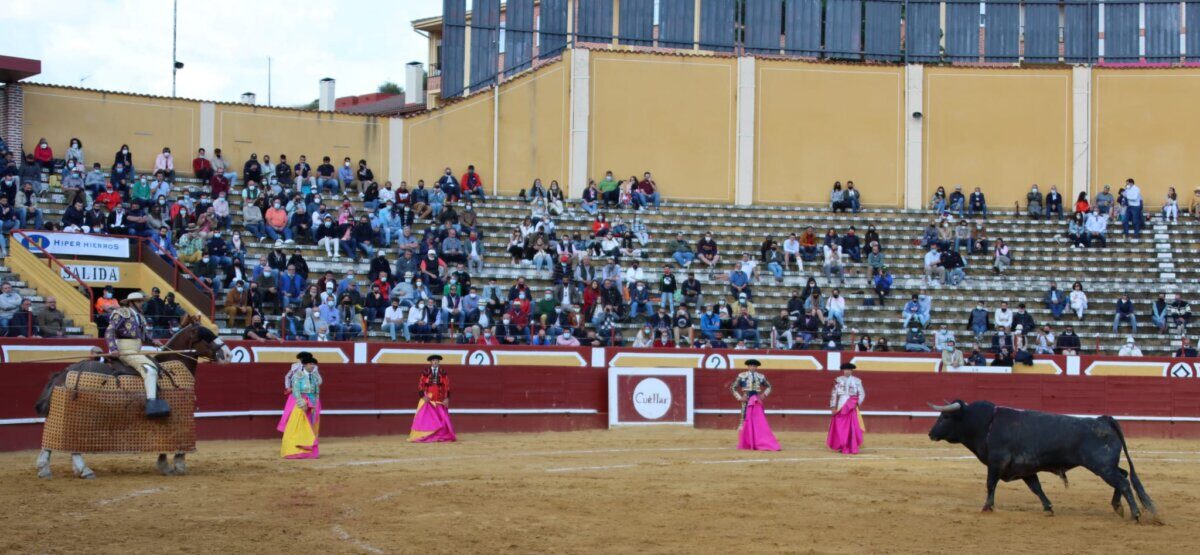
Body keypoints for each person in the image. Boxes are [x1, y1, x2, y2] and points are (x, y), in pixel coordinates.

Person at [105, 292, 168, 417]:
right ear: (131, 303)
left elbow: (143, 336)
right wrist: (113, 348)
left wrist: (153, 342)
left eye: (142, 301)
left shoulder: (140, 317)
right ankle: (152, 404)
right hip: (125, 350)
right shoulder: (122, 312)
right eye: (139, 301)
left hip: (136, 350)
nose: (141, 304)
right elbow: (110, 330)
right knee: (150, 370)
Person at [278, 352, 322, 459]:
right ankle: (298, 446)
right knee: (300, 421)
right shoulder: (301, 371)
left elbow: (317, 384)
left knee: (308, 421)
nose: (312, 365)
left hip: (307, 398)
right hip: (301, 399)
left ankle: (307, 444)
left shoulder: (306, 370)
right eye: (309, 363)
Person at [730, 359, 779, 451]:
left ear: (756, 367)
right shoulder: (742, 376)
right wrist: (740, 397)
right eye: (751, 366)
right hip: (746, 399)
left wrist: (764, 394)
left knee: (758, 420)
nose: (752, 367)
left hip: (756, 400)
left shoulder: (761, 377)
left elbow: (770, 386)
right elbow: (733, 387)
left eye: (754, 366)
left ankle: (757, 441)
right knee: (744, 419)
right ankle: (744, 442)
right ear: (748, 367)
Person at [409, 355, 457, 443]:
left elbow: (447, 385)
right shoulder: (426, 372)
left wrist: (446, 398)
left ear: (439, 362)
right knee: (426, 418)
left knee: (440, 417)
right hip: (429, 398)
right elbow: (421, 384)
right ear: (431, 362)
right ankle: (426, 435)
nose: (435, 362)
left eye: (437, 361)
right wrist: (423, 396)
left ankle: (440, 435)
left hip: (439, 397)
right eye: (433, 360)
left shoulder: (443, 372)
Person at [827, 363, 865, 455]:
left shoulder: (857, 381)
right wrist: (833, 407)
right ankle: (842, 445)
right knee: (841, 428)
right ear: (843, 370)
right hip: (841, 406)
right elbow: (834, 394)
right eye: (845, 370)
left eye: (849, 370)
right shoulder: (838, 380)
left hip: (852, 407)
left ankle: (851, 445)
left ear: (852, 371)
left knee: (852, 427)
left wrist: (856, 404)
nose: (847, 371)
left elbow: (862, 394)